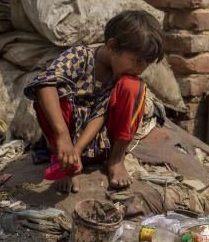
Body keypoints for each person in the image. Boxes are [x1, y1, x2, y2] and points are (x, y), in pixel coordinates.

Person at [24, 10, 163, 192]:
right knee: (52, 90)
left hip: (101, 146)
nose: (141, 69)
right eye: (136, 61)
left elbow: (100, 114)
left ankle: (115, 160)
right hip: (65, 145)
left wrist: (78, 150)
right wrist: (63, 138)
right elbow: (44, 85)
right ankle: (66, 165)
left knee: (134, 87)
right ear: (112, 46)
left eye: (146, 64)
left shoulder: (122, 76)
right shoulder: (80, 56)